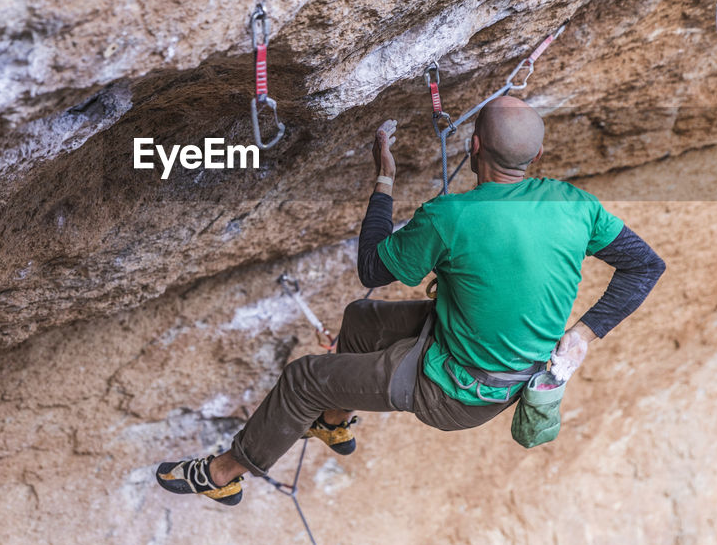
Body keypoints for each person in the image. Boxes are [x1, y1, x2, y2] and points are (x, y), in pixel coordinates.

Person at [156, 97, 665, 505]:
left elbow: (372, 268)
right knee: (360, 319)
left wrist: (384, 181)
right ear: (535, 159)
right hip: (498, 366)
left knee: (302, 378)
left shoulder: (451, 216)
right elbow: (646, 264)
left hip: (455, 392)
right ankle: (333, 422)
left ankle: (222, 474)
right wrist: (582, 333)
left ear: (472, 145)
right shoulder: (575, 204)